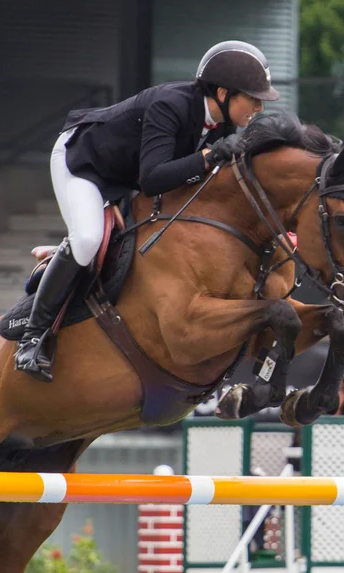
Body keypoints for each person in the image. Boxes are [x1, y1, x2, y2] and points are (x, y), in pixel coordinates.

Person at [15, 40, 281, 380]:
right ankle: (32, 337)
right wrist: (209, 157)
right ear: (224, 93)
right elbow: (154, 178)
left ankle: (62, 256)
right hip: (83, 163)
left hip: (124, 176)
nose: (259, 107)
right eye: (253, 98)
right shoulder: (170, 104)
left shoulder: (224, 123)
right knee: (86, 238)